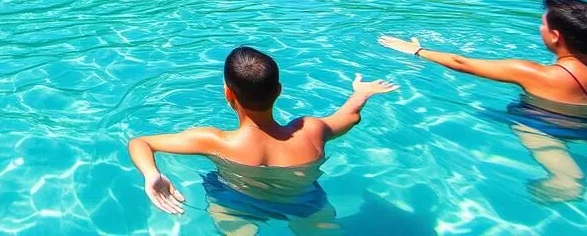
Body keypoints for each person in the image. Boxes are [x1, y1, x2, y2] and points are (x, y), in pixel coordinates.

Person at [380, 0, 587, 201]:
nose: (539, 28)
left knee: (525, 122)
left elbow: (461, 63)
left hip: (546, 123)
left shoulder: (535, 74)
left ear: (555, 36)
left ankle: (565, 178)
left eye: (542, 24)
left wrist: (417, 50)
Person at [127, 46, 396, 229]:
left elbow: (140, 142)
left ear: (228, 94)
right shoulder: (311, 131)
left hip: (234, 201)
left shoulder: (211, 141)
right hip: (304, 201)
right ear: (279, 90)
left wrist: (152, 175)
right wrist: (361, 93)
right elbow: (350, 117)